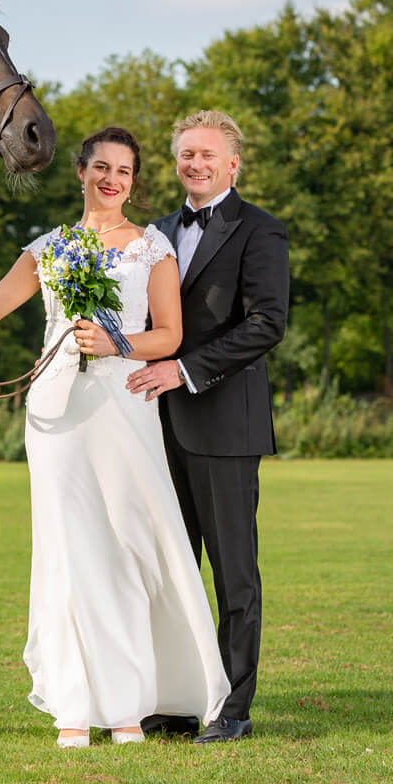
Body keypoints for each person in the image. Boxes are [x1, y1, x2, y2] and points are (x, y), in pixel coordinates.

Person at [0, 126, 229, 749]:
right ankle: (74, 704)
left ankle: (127, 709)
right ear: (80, 171)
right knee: (67, 553)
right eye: (101, 167)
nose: (111, 180)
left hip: (124, 409)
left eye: (123, 171)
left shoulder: (152, 248)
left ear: (134, 181)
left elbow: (170, 337)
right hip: (55, 418)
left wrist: (119, 342)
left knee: (126, 548)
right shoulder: (49, 247)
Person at [126, 110, 289, 744]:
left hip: (224, 423)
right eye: (185, 154)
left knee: (232, 571)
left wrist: (184, 370)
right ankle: (175, 701)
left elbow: (266, 323)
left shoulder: (259, 231)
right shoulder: (155, 232)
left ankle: (232, 706)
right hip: (152, 427)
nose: (195, 164)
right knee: (169, 571)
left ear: (232, 165)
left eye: (206, 155)